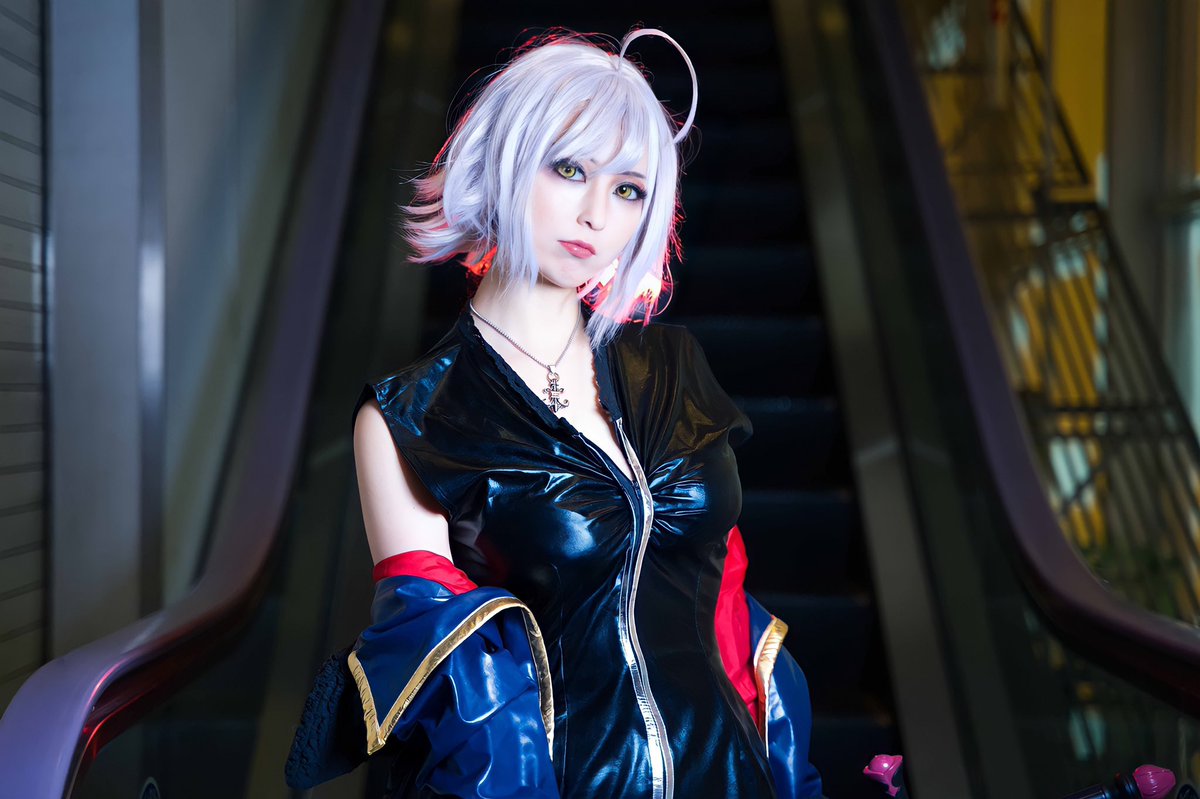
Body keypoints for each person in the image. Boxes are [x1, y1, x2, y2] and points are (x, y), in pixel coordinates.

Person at [286, 27, 825, 799]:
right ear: (505, 161)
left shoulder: (673, 368)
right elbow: (456, 676)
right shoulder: (414, 415)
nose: (597, 214)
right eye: (569, 169)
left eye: (628, 189)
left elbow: (730, 613)